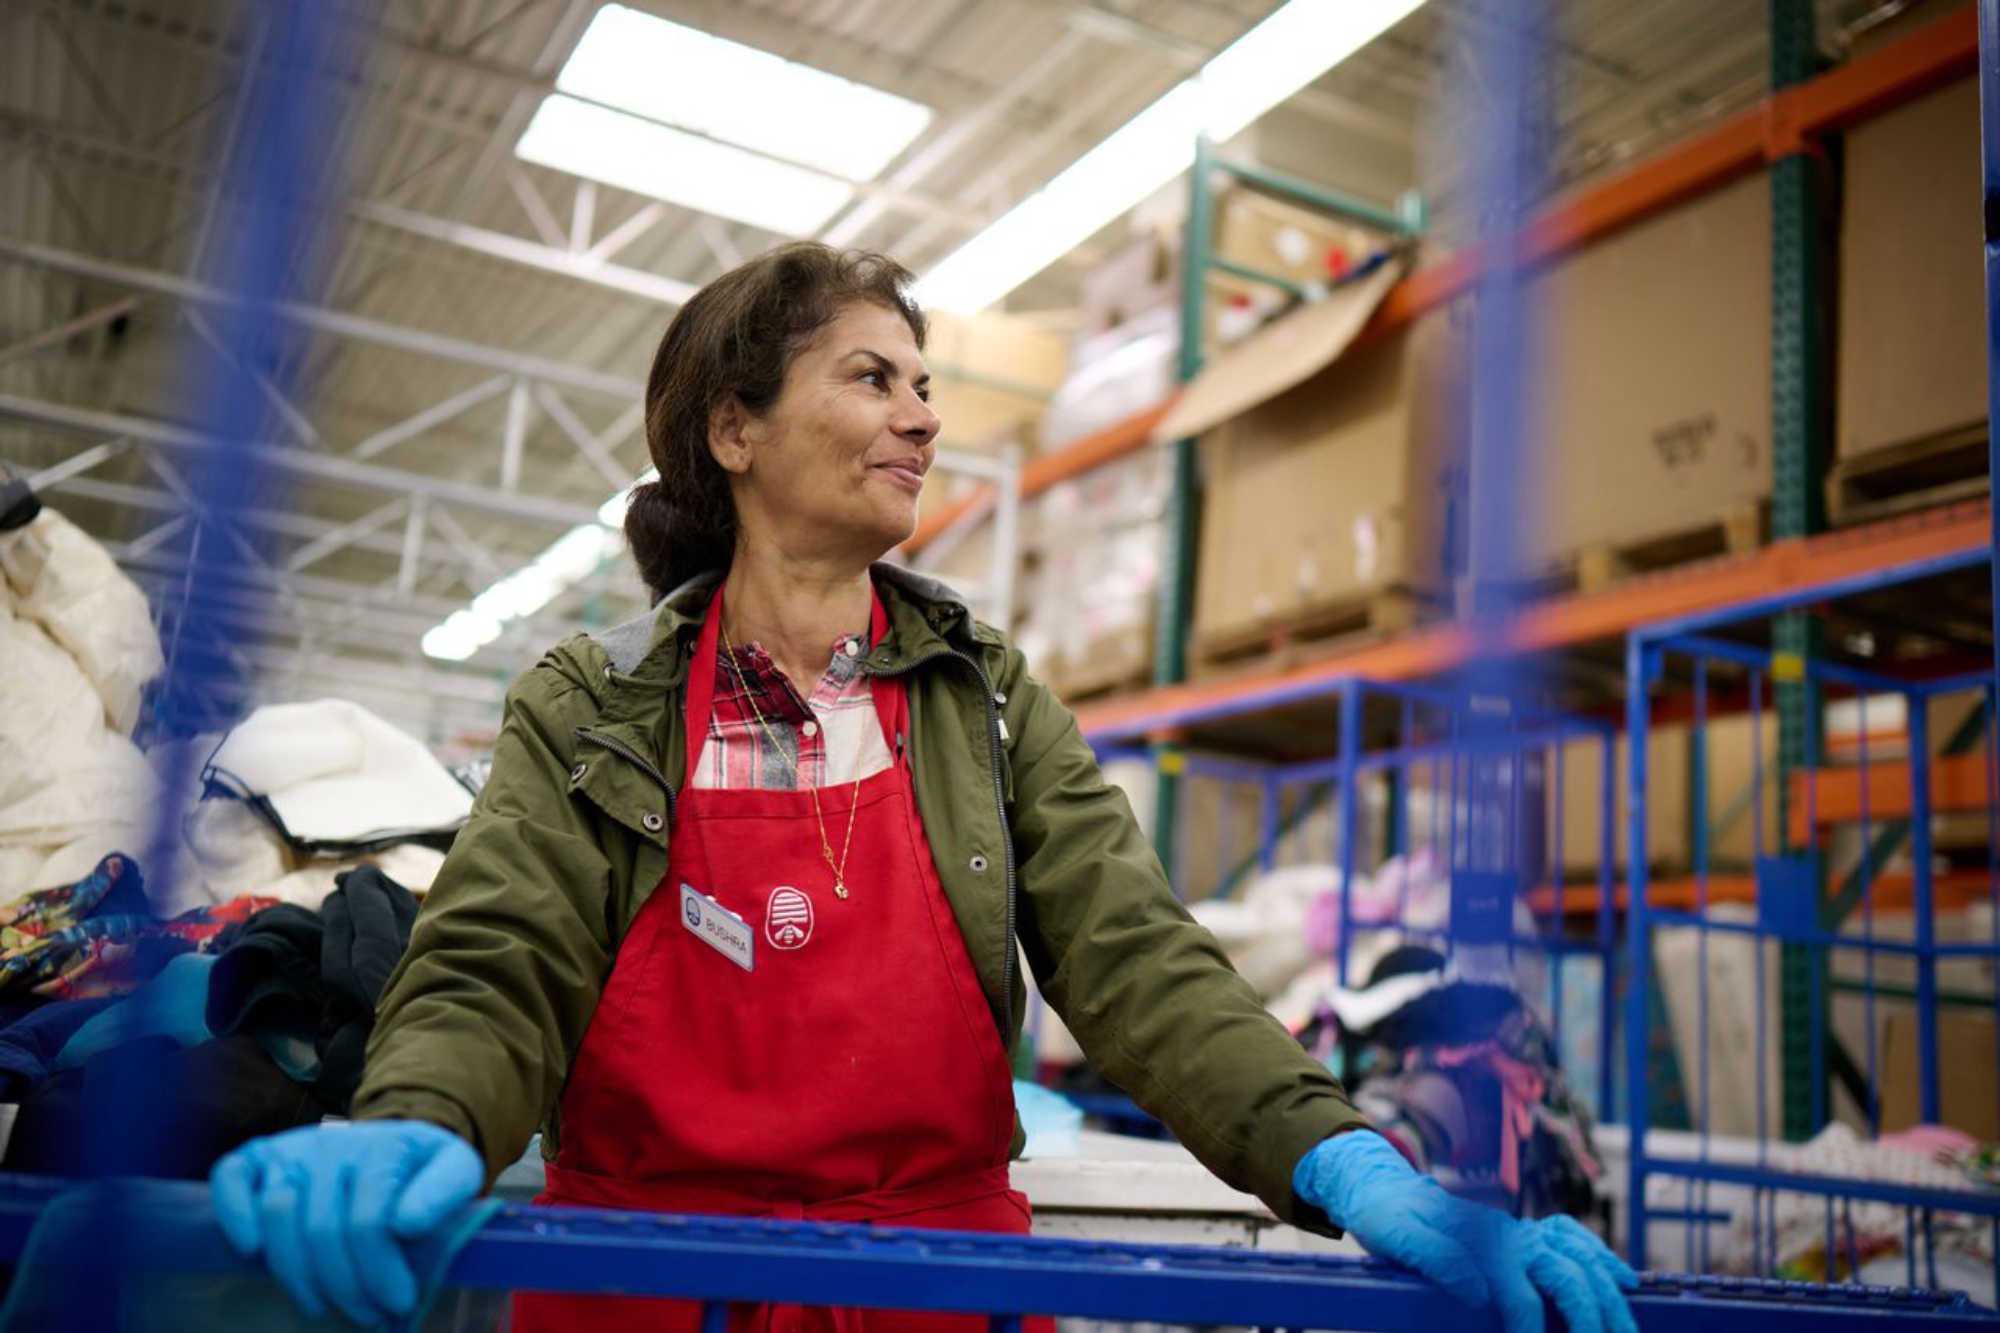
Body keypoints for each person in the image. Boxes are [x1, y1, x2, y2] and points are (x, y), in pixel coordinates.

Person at [209, 244, 1637, 1333]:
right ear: (734, 430)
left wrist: (1348, 1160)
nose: (923, 419)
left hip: (929, 1286)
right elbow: (496, 953)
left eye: (925, 385)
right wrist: (413, 1116)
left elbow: (1139, 960)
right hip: (638, 1278)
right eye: (873, 377)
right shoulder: (601, 700)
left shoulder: (985, 696)